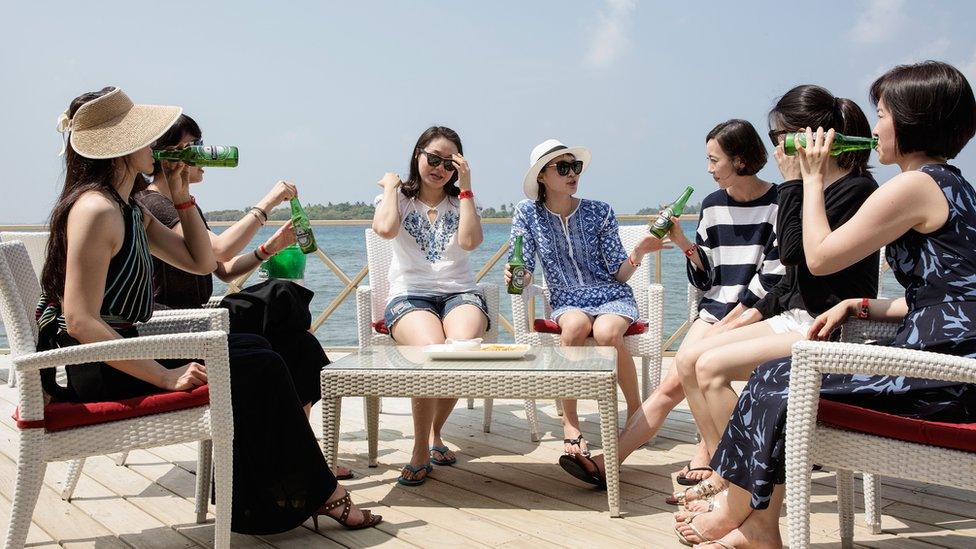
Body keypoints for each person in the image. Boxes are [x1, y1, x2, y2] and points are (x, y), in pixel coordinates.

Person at [41, 87, 380, 534]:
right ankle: (309, 494)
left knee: (260, 350)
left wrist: (182, 193)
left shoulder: (130, 208)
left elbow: (202, 261)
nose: (155, 145)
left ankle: (270, 497)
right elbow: (80, 320)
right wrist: (164, 376)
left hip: (122, 350)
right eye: (147, 137)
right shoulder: (95, 209)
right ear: (121, 148)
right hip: (87, 366)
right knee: (258, 362)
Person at [675, 61, 976, 549]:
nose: (873, 128)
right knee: (778, 376)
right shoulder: (952, 185)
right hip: (949, 357)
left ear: (911, 120)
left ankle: (743, 514)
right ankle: (756, 525)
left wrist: (808, 179)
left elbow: (815, 258)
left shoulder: (914, 185)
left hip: (944, 375)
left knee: (781, 377)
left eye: (881, 114)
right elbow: (951, 296)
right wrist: (865, 304)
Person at [664, 85, 881, 509]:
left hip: (830, 324)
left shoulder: (854, 190)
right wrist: (743, 317)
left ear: (809, 136)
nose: (777, 146)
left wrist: (795, 184)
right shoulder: (815, 186)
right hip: (796, 315)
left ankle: (744, 491)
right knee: (688, 359)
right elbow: (789, 280)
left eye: (781, 135)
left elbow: (803, 255)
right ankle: (726, 470)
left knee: (709, 367)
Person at [556, 121, 784, 488]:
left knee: (684, 373)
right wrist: (682, 242)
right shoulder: (711, 206)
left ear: (739, 160)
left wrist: (732, 321)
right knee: (670, 383)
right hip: (715, 312)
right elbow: (705, 279)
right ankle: (612, 463)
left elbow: (774, 279)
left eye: (714, 160)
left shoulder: (779, 203)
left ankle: (702, 454)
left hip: (758, 315)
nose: (708, 169)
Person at [134, 115, 352, 477]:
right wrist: (268, 201)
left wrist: (268, 248)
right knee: (282, 294)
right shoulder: (155, 204)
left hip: (204, 319)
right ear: (168, 154)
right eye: (192, 148)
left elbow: (221, 269)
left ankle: (301, 454)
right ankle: (295, 455)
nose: (202, 155)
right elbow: (218, 250)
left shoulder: (183, 201)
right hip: (176, 324)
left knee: (301, 346)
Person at [504, 139, 664, 470]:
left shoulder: (599, 210)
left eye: (574, 166)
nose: (572, 173)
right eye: (562, 168)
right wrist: (517, 273)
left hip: (610, 293)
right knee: (575, 327)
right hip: (566, 297)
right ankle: (571, 423)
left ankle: (636, 415)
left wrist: (640, 252)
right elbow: (524, 268)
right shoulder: (527, 213)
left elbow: (620, 272)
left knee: (607, 333)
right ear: (542, 177)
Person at [371, 126, 488, 486]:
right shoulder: (399, 198)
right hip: (410, 294)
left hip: (460, 293)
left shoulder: (463, 200)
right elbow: (386, 230)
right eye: (432, 158)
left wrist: (466, 185)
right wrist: (391, 187)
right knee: (430, 353)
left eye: (448, 163)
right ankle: (421, 448)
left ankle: (436, 433)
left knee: (461, 350)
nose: (439, 168)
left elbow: (469, 242)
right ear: (418, 155)